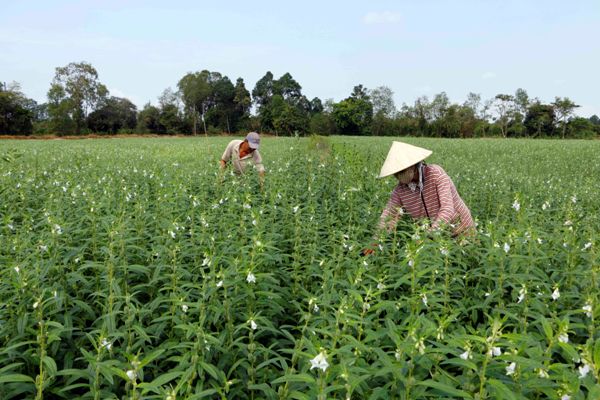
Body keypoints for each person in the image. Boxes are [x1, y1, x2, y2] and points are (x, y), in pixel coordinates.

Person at [365, 141, 474, 254]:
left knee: (467, 259)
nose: (398, 176)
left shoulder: (436, 174)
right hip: (435, 238)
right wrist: (375, 240)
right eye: (395, 174)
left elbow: (447, 208)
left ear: (412, 166)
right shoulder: (400, 191)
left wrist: (430, 235)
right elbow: (389, 215)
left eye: (401, 171)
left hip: (460, 228)